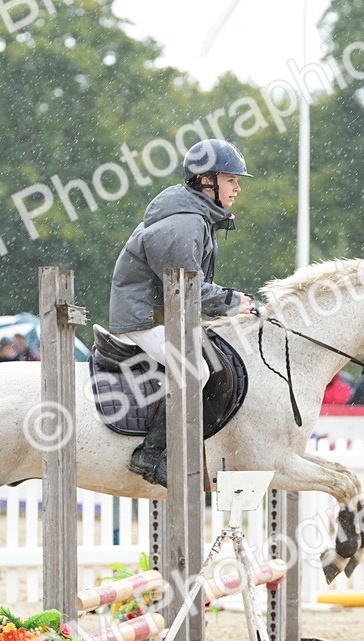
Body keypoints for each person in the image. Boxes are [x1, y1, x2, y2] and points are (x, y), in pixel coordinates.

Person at [108, 138, 256, 486]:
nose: (237, 187)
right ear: (207, 181)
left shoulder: (196, 217)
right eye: (231, 179)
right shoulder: (185, 223)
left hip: (164, 313)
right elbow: (187, 289)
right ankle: (150, 455)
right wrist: (235, 302)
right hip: (146, 316)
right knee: (196, 372)